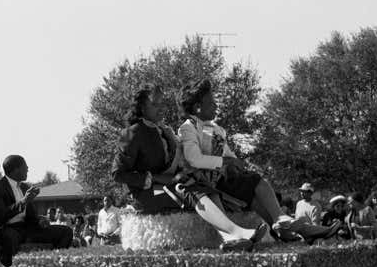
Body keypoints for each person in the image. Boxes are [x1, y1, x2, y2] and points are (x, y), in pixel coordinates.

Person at [177, 79, 340, 246]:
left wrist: (234, 163)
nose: (216, 106)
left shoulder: (217, 129)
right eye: (211, 103)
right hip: (205, 181)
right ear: (198, 107)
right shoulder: (187, 128)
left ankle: (280, 218)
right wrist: (224, 161)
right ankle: (289, 231)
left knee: (256, 181)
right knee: (245, 193)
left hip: (222, 179)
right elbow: (193, 158)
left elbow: (228, 154)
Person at [113, 84, 267, 251]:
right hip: (146, 193)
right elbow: (118, 174)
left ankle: (229, 237)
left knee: (204, 188)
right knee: (187, 189)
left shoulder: (164, 131)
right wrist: (154, 179)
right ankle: (236, 232)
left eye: (162, 103)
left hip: (167, 186)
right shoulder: (132, 133)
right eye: (155, 104)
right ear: (142, 107)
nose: (161, 108)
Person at [0, 155, 73, 266]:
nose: (28, 169)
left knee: (66, 232)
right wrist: (24, 201)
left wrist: (40, 220)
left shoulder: (25, 187)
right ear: (15, 169)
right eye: (25, 166)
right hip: (7, 228)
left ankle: (53, 266)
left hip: (27, 229)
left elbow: (31, 217)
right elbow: (0, 215)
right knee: (9, 238)